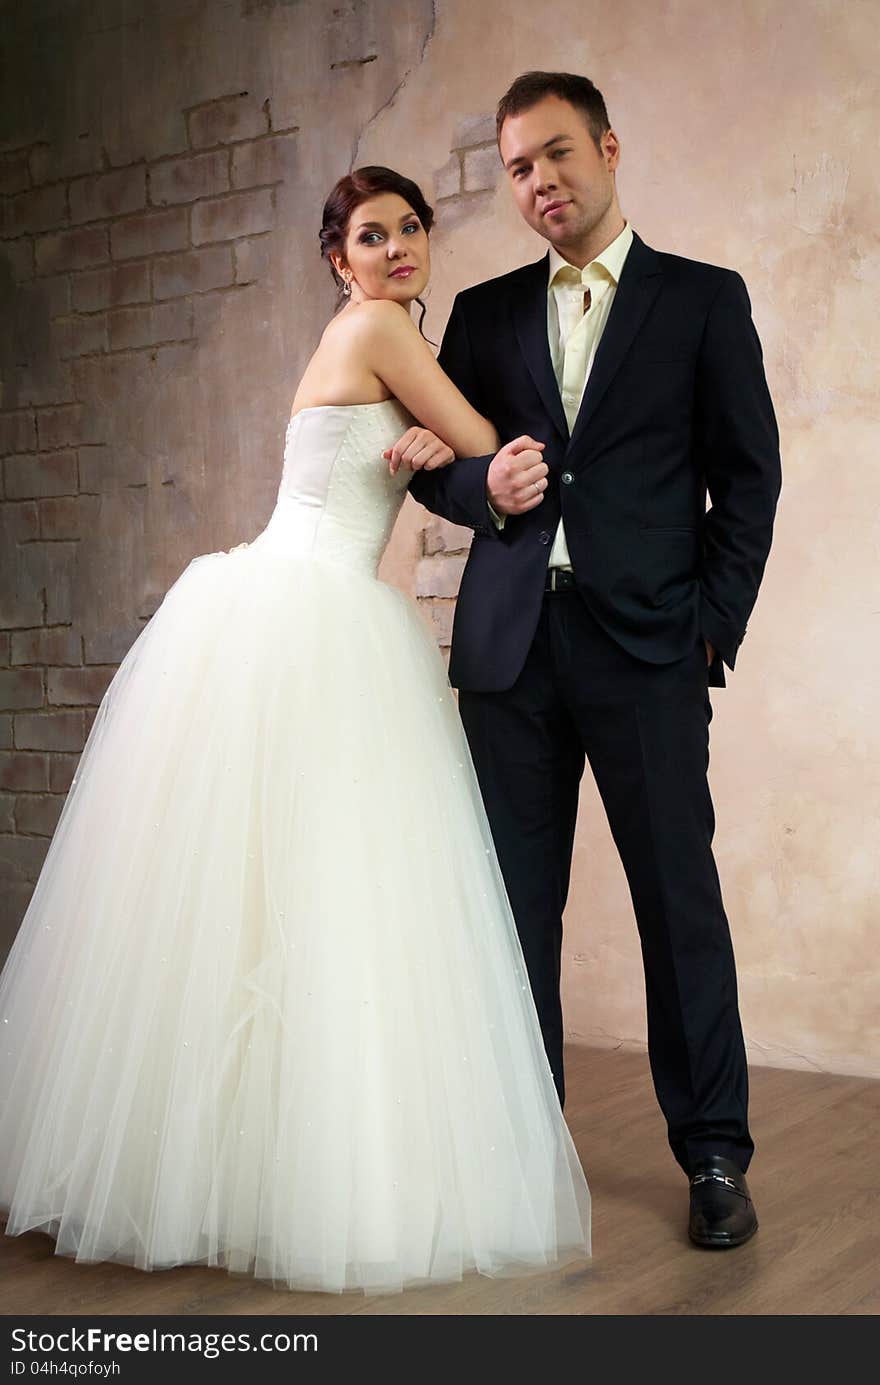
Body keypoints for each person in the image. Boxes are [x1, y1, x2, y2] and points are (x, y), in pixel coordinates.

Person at [0, 166, 590, 1295]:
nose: (399, 249)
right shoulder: (378, 327)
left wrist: (430, 450)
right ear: (339, 258)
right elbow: (487, 444)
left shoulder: (357, 330)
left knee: (272, 902)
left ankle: (236, 1169)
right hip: (319, 613)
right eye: (373, 235)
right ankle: (312, 1175)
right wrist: (450, 446)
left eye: (412, 228)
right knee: (329, 896)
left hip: (278, 600)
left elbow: (436, 451)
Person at [395, 72, 781, 1249]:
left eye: (556, 154)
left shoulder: (703, 301)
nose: (539, 182)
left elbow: (747, 476)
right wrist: (479, 483)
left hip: (649, 647)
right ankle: (522, 1148)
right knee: (512, 912)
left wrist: (709, 622)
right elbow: (436, 466)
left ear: (607, 147)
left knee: (678, 903)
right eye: (516, 167)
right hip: (512, 654)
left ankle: (712, 1149)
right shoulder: (485, 311)